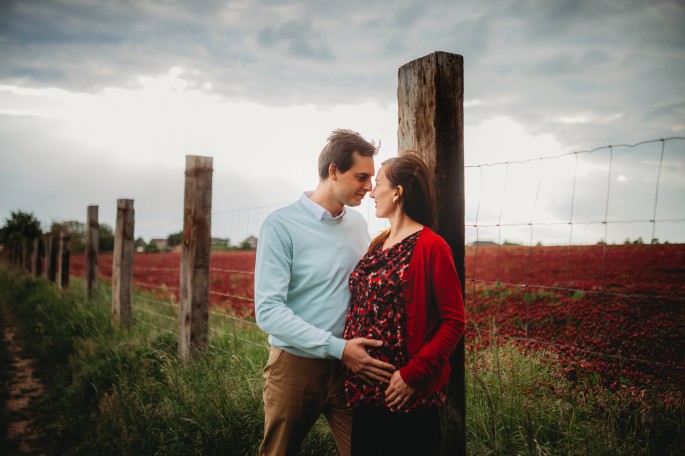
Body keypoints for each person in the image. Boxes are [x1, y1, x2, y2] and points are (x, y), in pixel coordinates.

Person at [254, 129, 396, 456]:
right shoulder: (280, 226)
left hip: (353, 365)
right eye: (361, 177)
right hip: (295, 366)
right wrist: (339, 348)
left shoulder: (358, 225)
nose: (370, 187)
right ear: (333, 171)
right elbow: (269, 312)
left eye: (372, 179)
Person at [344, 152, 466, 456]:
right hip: (365, 394)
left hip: (406, 396)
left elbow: (454, 321)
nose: (372, 191)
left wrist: (412, 375)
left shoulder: (431, 247)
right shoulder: (377, 243)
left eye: (380, 183)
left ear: (398, 192)